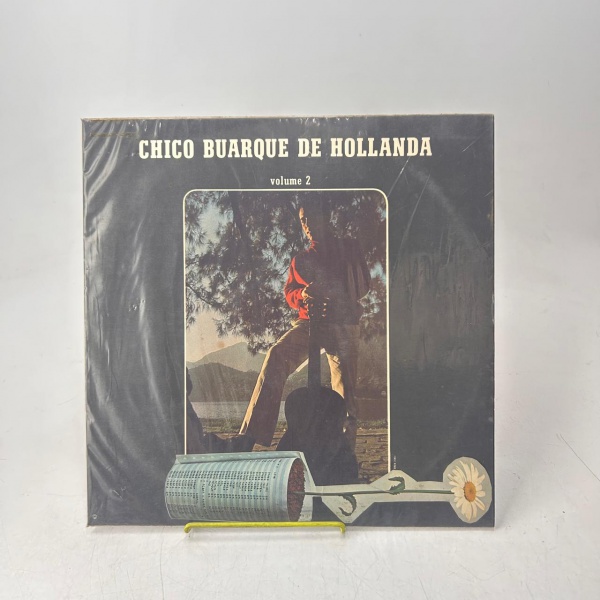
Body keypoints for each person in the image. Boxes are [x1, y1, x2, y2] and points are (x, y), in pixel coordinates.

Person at [231, 199, 371, 453]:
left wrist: (335, 295)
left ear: (325, 217)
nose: (307, 225)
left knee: (346, 390)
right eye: (303, 220)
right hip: (308, 323)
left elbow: (363, 286)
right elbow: (289, 292)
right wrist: (303, 294)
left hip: (343, 324)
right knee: (276, 355)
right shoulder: (299, 260)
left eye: (311, 217)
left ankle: (344, 452)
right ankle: (249, 436)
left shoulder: (349, 248)